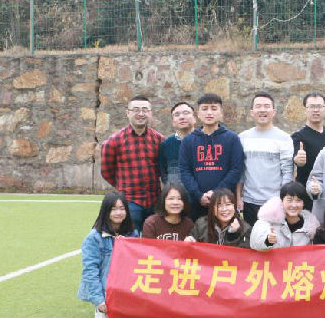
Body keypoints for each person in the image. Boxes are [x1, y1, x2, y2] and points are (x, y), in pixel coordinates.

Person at [100, 95, 163, 234]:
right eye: (136, 110)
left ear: (150, 113)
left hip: (155, 201)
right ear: (127, 113)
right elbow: (106, 171)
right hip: (129, 202)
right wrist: (123, 186)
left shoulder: (159, 140)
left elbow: (161, 169)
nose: (141, 113)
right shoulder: (113, 141)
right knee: (129, 240)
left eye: (145, 110)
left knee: (154, 242)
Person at [178, 93, 245, 220]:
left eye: (214, 108)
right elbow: (185, 171)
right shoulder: (188, 140)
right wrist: (199, 195)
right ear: (198, 114)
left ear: (221, 113)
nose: (209, 113)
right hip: (196, 203)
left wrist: (216, 193)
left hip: (224, 202)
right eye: (204, 109)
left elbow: (236, 169)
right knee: (197, 231)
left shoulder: (232, 138)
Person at [77, 191, 134, 318]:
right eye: (113, 209)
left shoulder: (132, 233)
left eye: (122, 208)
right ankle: (100, 309)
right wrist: (99, 300)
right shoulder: (94, 238)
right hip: (104, 287)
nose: (118, 213)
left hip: (123, 284)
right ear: (106, 211)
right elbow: (90, 271)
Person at [237, 92, 294, 225]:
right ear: (252, 112)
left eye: (266, 106)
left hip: (275, 202)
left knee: (275, 236)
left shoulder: (284, 138)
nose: (262, 110)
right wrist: (239, 197)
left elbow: (287, 172)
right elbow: (240, 172)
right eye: (258, 106)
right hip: (249, 201)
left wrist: (283, 199)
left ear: (273, 111)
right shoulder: (242, 138)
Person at [250, 181, 320, 249]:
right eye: (289, 200)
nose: (294, 205)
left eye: (298, 200)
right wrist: (267, 241)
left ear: (303, 203)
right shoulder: (267, 219)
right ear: (281, 201)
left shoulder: (311, 226)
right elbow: (254, 243)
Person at [291, 92, 325, 187]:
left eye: (319, 106)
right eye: (311, 107)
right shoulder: (298, 136)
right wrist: (298, 160)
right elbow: (296, 158)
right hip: (306, 189)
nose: (315, 110)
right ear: (305, 110)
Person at [186, 188, 251, 248]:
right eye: (219, 205)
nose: (224, 209)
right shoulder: (200, 224)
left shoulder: (245, 229)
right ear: (212, 209)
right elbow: (191, 248)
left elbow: (241, 254)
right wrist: (189, 240)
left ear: (234, 207)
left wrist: (233, 236)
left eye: (228, 204)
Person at [159, 101, 195, 185]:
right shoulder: (165, 145)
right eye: (177, 114)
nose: (181, 117)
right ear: (173, 122)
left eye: (186, 113)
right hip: (176, 192)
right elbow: (164, 173)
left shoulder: (205, 140)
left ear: (194, 118)